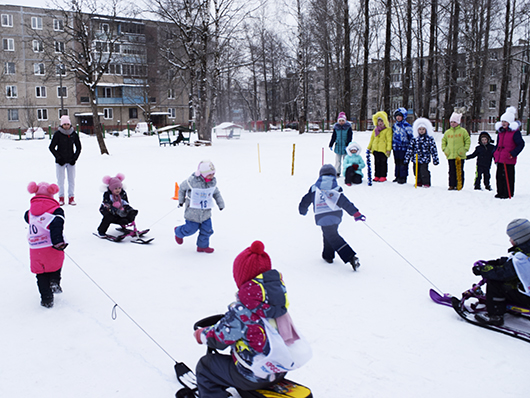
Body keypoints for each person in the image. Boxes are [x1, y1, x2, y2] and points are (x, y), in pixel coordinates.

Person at [193, 241, 310, 397]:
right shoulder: (276, 302)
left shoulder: (243, 310)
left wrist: (201, 334)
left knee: (205, 366)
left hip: (252, 374)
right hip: (279, 369)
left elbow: (220, 339)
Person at [298, 164, 365, 270]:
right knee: (330, 233)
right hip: (336, 216)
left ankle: (351, 257)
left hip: (322, 216)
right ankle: (327, 255)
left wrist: (302, 210)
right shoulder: (336, 188)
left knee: (333, 236)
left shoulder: (314, 188)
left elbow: (305, 200)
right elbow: (344, 202)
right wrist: (355, 213)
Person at [471, 219, 530, 326]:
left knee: (495, 283)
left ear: (519, 238)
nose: (510, 240)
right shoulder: (526, 251)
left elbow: (503, 274)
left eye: (511, 238)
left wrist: (484, 270)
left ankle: (495, 315)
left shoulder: (522, 258)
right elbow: (511, 264)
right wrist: (495, 263)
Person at [25, 181, 68, 308]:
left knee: (41, 273)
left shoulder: (30, 211)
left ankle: (46, 298)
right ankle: (54, 281)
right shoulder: (55, 210)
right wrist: (58, 242)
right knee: (55, 265)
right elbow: (57, 225)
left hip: (35, 248)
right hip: (51, 245)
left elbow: (26, 218)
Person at [174, 160, 225, 253]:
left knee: (207, 230)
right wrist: (181, 201)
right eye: (209, 174)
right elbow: (182, 188)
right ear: (202, 174)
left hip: (206, 213)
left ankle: (202, 246)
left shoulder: (212, 183)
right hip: (192, 213)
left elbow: (216, 193)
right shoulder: (192, 181)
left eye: (213, 174)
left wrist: (220, 203)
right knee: (190, 229)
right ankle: (178, 232)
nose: (212, 176)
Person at [49, 115, 82, 206]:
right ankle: (61, 198)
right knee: (60, 180)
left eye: (68, 124)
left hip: (71, 161)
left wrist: (74, 158)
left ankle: (71, 198)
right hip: (60, 162)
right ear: (61, 125)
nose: (66, 126)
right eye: (64, 124)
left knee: (71, 180)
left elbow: (79, 147)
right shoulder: (58, 134)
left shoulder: (73, 134)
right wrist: (58, 157)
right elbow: (51, 147)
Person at [493, 107, 525, 199]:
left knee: (508, 176)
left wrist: (513, 153)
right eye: (502, 121)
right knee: (499, 176)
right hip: (499, 157)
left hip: (508, 158)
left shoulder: (515, 133)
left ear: (510, 123)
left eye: (505, 121)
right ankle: (500, 191)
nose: (503, 123)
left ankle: (508, 192)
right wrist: (494, 153)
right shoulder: (500, 132)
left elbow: (520, 144)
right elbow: (498, 144)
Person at [404, 118, 440, 188]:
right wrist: (407, 158)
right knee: (416, 170)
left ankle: (426, 182)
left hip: (425, 158)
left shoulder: (429, 139)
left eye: (423, 129)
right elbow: (410, 149)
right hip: (416, 158)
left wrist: (435, 159)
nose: (421, 131)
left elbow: (433, 149)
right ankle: (418, 181)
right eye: (420, 129)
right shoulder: (415, 139)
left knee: (424, 171)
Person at [441, 112, 470, 190]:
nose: (453, 124)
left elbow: (467, 140)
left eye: (454, 122)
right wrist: (445, 149)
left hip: (459, 155)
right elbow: (443, 141)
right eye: (451, 122)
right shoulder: (447, 132)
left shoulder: (463, 131)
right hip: (450, 155)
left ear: (458, 122)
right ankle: (451, 184)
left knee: (459, 171)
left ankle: (459, 184)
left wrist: (464, 149)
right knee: (451, 171)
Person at [367, 111, 393, 182]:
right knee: (377, 163)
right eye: (379, 121)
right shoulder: (375, 130)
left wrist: (388, 149)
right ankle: (377, 175)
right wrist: (369, 147)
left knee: (383, 163)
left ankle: (383, 175)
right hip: (376, 149)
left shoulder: (388, 130)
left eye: (382, 121)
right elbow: (372, 139)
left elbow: (389, 140)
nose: (380, 123)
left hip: (383, 150)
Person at [392, 107, 413, 184]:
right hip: (396, 148)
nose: (398, 117)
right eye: (397, 116)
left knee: (403, 162)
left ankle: (403, 177)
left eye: (400, 116)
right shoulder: (395, 126)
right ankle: (397, 176)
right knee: (397, 162)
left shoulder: (407, 126)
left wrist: (411, 147)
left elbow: (411, 137)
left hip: (404, 148)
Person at [329, 112, 353, 177]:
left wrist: (348, 144)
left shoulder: (348, 128)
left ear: (345, 121)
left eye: (343, 121)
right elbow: (333, 136)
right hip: (338, 147)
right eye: (340, 121)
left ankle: (346, 172)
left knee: (345, 160)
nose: (341, 122)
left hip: (345, 147)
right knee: (337, 161)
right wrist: (331, 144)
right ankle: (337, 172)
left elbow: (350, 137)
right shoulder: (336, 128)